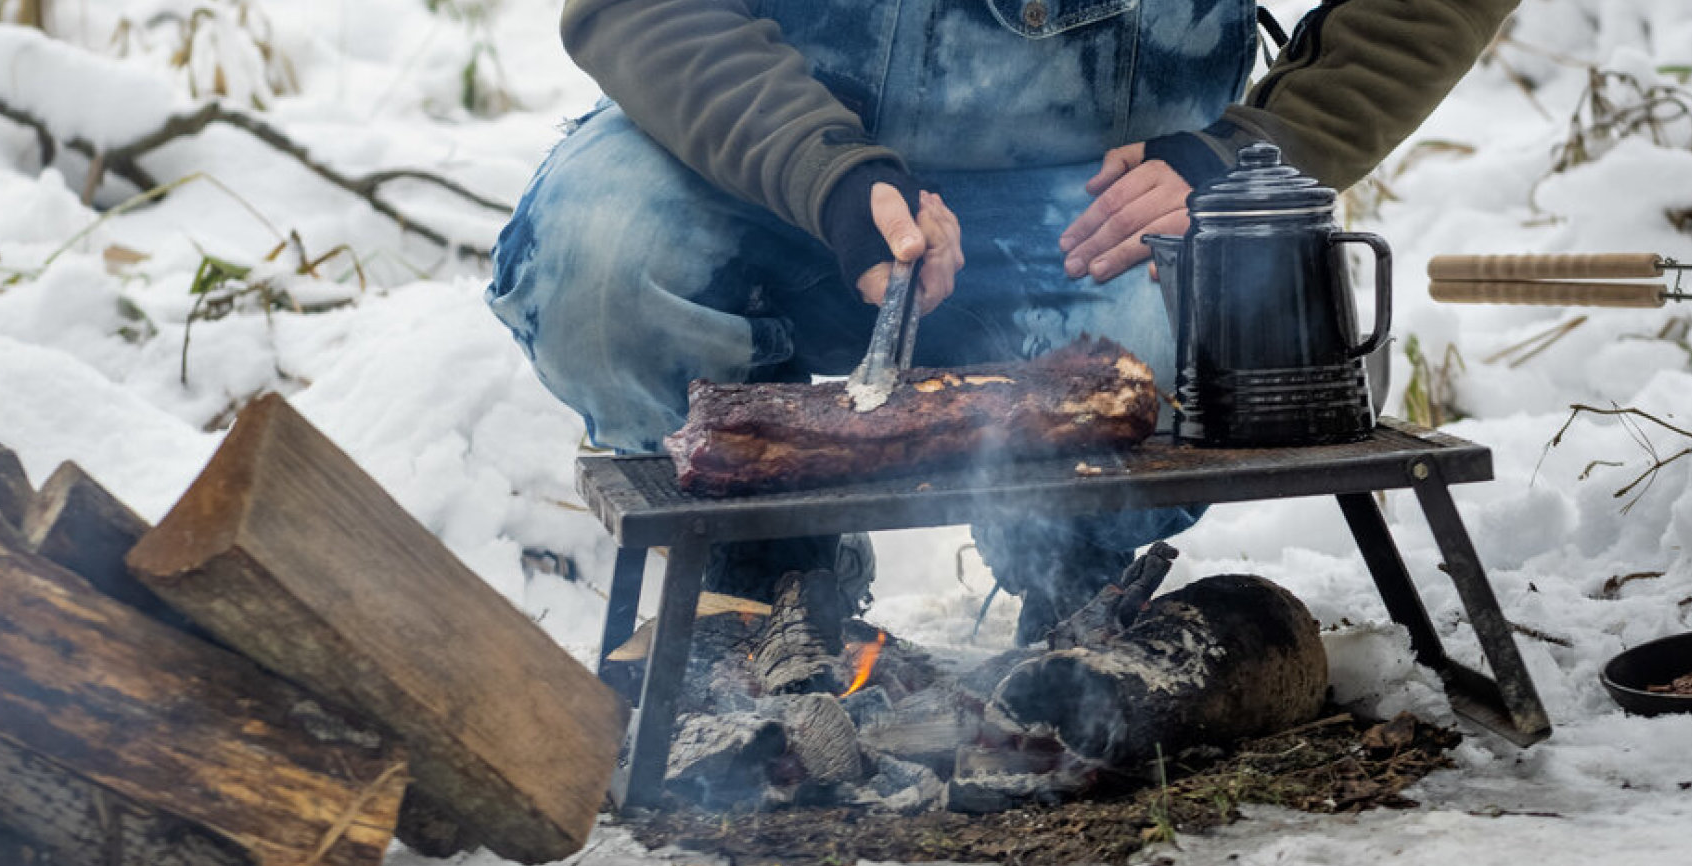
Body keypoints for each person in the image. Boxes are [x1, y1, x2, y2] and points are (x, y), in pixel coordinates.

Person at [488, 0, 1519, 641]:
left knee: (1184, 346)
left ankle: (1073, 593)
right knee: (600, 257)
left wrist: (1249, 154)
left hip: (1099, 205)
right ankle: (762, 583)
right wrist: (825, 175)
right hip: (762, 167)